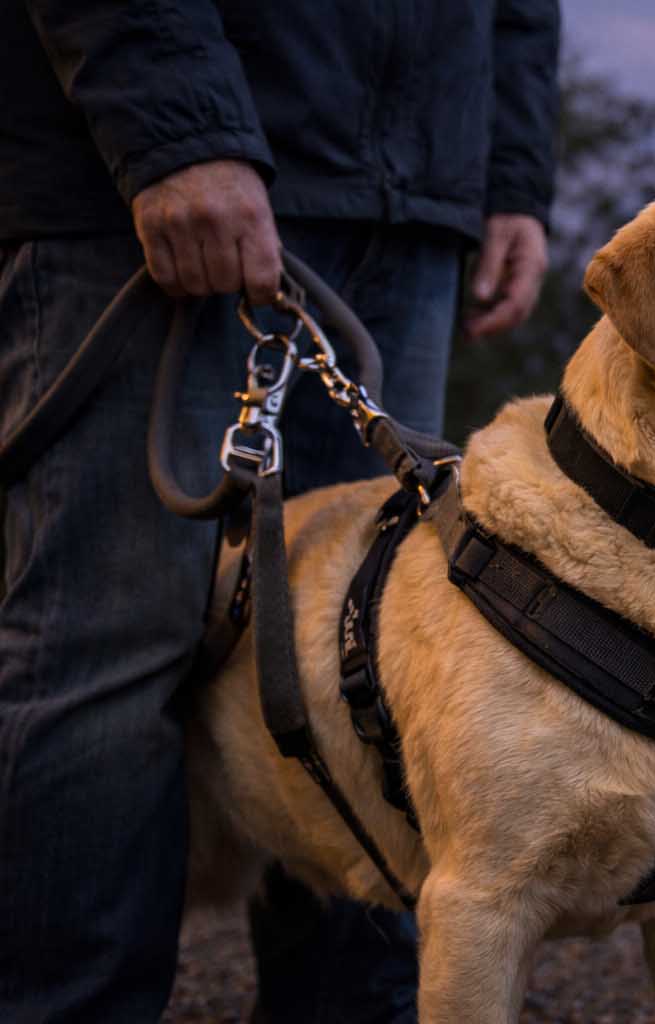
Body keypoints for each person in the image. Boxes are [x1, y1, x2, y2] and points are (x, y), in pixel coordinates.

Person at [0, 2, 560, 1021]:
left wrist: (509, 169)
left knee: (386, 663)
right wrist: (176, 127)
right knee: (108, 651)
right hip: (137, 177)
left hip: (412, 189)